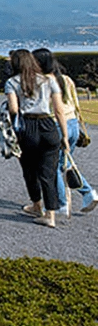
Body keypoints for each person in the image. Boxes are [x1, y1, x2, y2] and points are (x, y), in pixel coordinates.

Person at [5, 49, 69, 229]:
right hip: (48, 125)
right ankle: (51, 214)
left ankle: (36, 204)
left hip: (28, 127)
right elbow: (59, 109)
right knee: (48, 172)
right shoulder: (49, 80)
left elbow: (14, 109)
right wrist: (64, 135)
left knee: (29, 169)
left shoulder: (12, 82)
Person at [33, 48, 98, 216]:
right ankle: (88, 193)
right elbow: (74, 104)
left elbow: (56, 110)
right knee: (65, 163)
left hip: (57, 125)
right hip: (73, 123)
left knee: (51, 166)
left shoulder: (45, 82)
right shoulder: (66, 79)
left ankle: (61, 202)